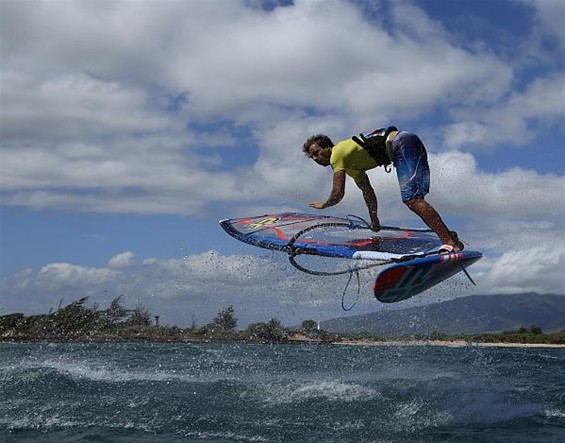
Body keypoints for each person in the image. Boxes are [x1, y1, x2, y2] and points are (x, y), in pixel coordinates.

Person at [302, 127, 464, 252]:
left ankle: (449, 242)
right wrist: (375, 219)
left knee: (413, 199)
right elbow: (368, 192)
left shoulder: (337, 154)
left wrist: (325, 204)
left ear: (327, 147)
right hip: (406, 141)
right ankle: (450, 239)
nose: (316, 159)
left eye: (316, 153)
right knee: (414, 198)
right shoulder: (350, 165)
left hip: (401, 143)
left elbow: (338, 194)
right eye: (312, 157)